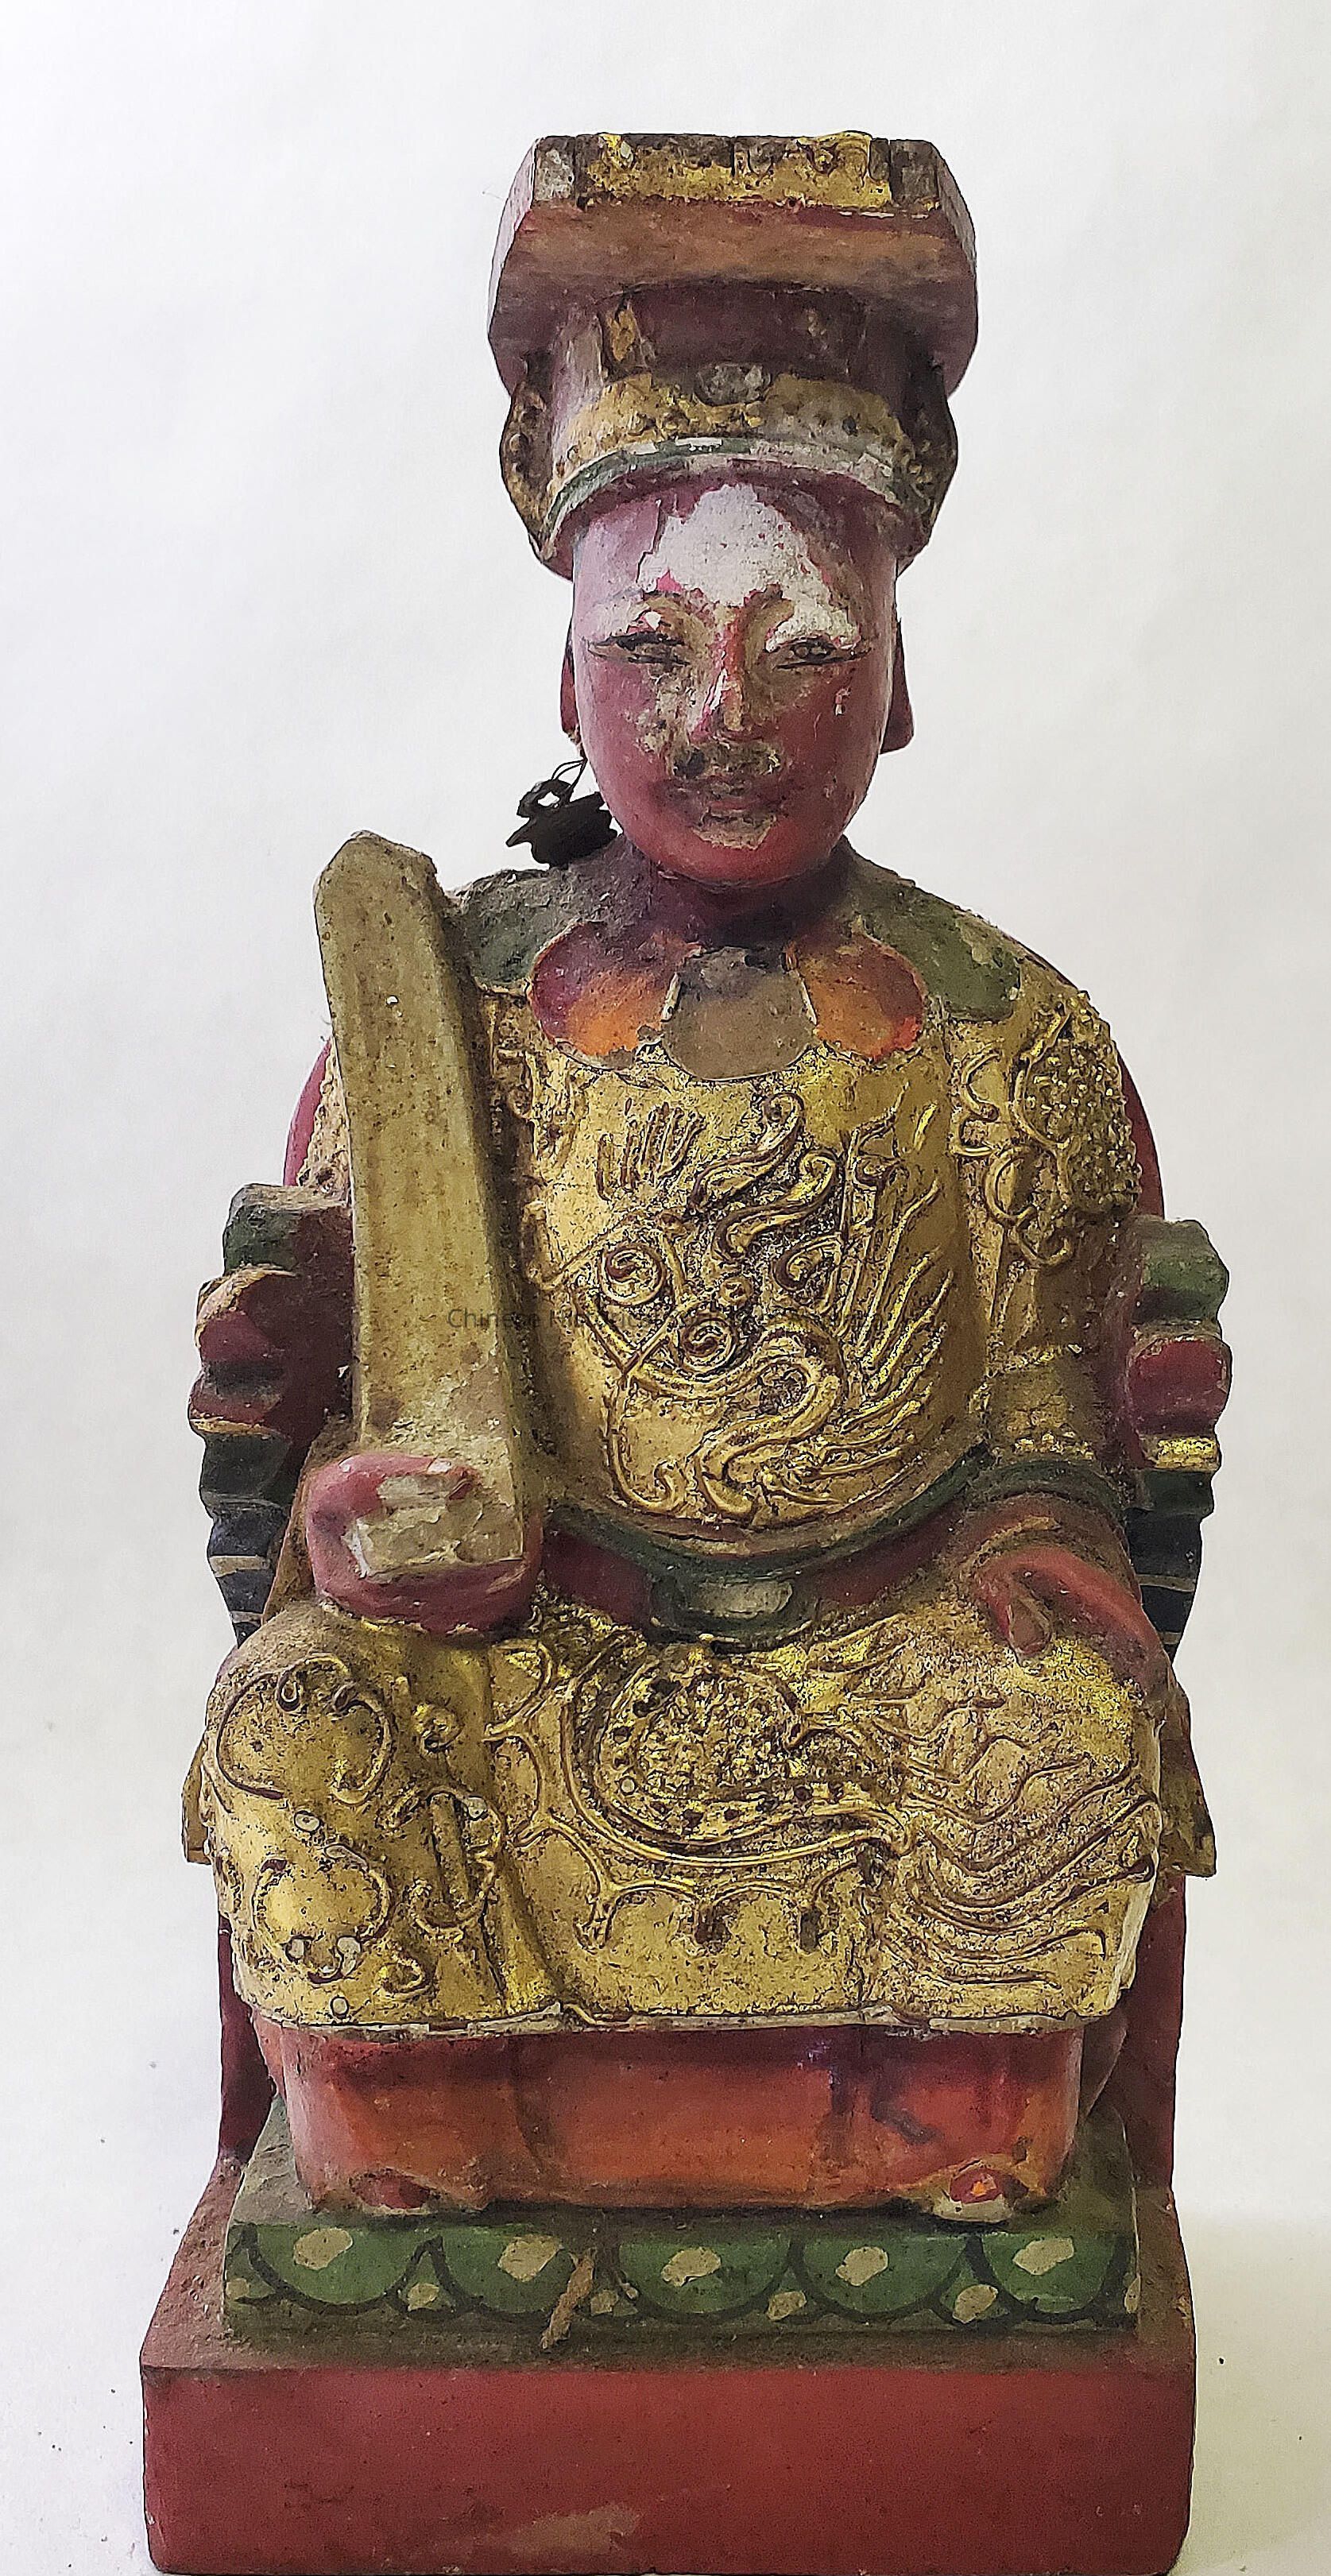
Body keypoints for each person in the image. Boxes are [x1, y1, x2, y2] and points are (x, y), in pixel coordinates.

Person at [187, 133, 1225, 2216]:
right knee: (301, 1712)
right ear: (564, 672)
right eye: (652, 650)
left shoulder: (1006, 1035)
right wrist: (343, 1506)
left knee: (1059, 1735)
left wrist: (1055, 1539)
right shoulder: (443, 1016)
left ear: (896, 680)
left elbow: (1047, 1438)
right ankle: (427, 2137)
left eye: (804, 649)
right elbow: (342, 1425)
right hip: (528, 1665)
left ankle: (917, 2136)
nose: (722, 717)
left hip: (877, 1672)